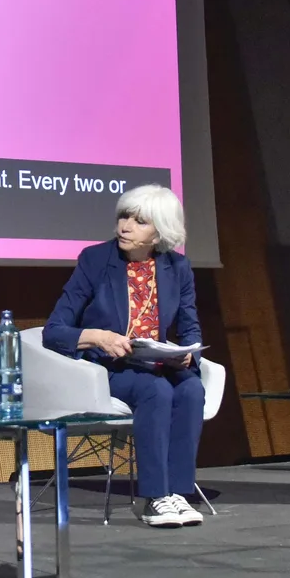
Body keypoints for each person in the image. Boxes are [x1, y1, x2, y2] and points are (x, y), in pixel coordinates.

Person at [40, 185, 206, 527]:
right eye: (123, 217)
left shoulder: (178, 267)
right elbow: (54, 330)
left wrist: (189, 354)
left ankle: (178, 492)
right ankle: (154, 497)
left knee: (191, 389)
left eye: (139, 221)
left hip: (157, 361)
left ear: (159, 230)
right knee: (155, 390)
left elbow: (190, 327)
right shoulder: (95, 260)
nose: (125, 226)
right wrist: (98, 336)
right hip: (108, 367)